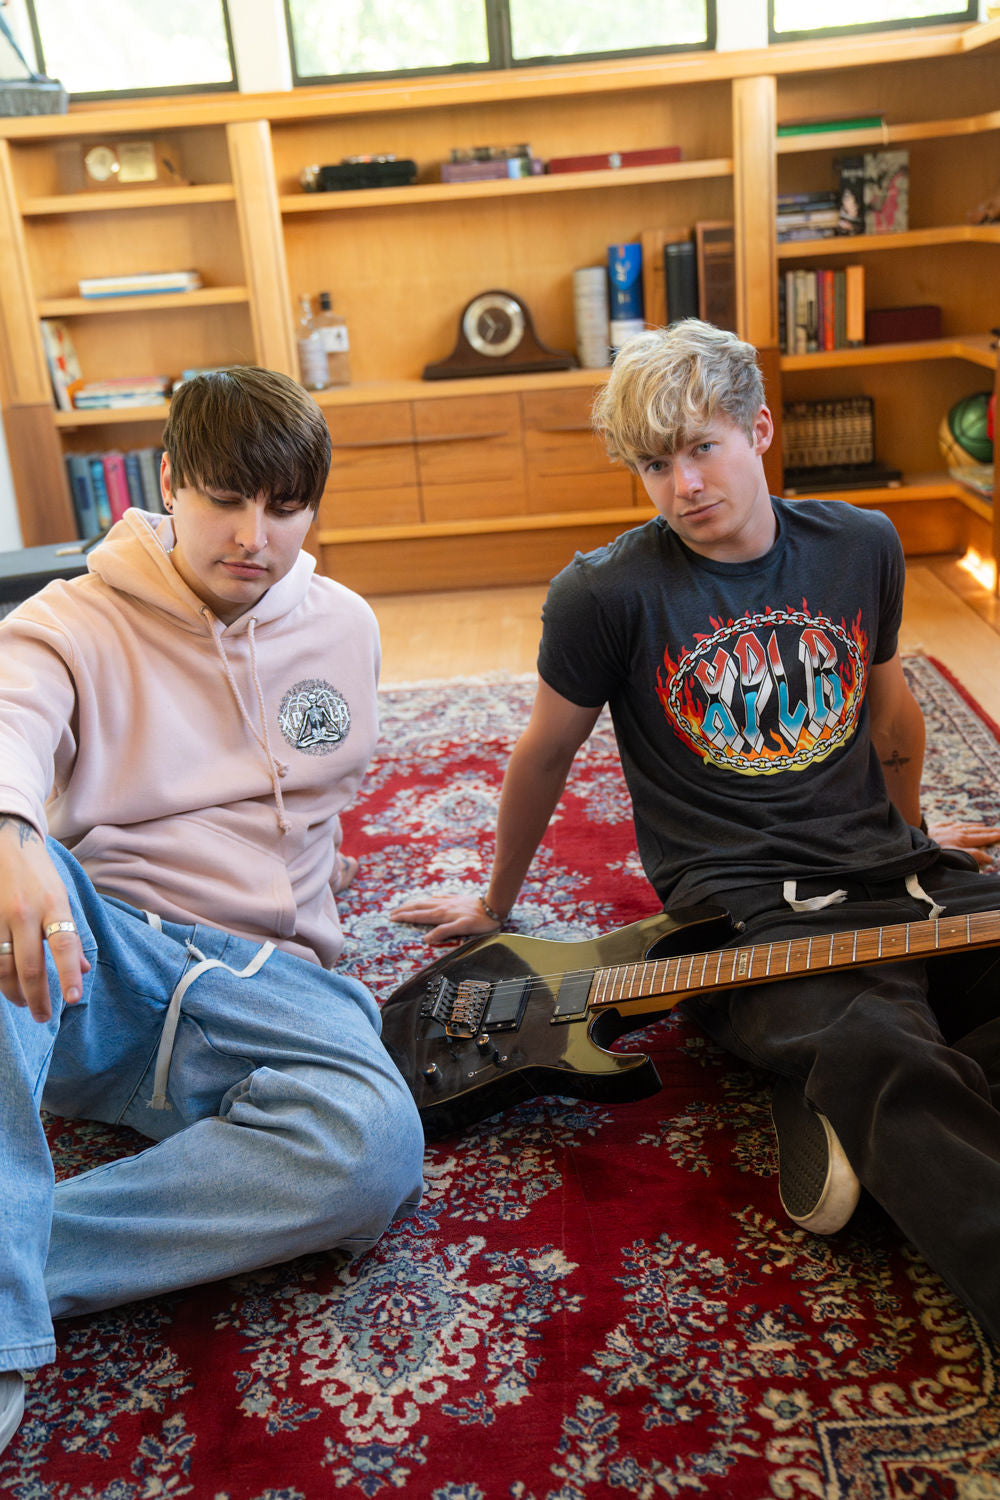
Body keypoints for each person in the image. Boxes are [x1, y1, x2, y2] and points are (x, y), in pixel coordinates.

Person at [391, 319, 1000, 1343]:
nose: (682, 485)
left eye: (701, 448)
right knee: (879, 1041)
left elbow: (890, 716)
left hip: (893, 878)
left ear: (758, 429)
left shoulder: (861, 545)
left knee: (901, 1040)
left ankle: (843, 1103)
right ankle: (870, 1088)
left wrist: (917, 842)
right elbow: (543, 753)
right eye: (653, 465)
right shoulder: (604, 593)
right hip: (743, 921)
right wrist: (494, 903)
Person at [0, 367, 424, 1456]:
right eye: (225, 499)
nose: (252, 536)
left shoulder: (345, 626)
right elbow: (9, 718)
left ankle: (18, 1259)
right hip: (109, 963)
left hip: (277, 986)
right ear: (169, 484)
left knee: (373, 1147)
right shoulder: (70, 621)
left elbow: (313, 809)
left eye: (284, 507)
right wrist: (11, 835)